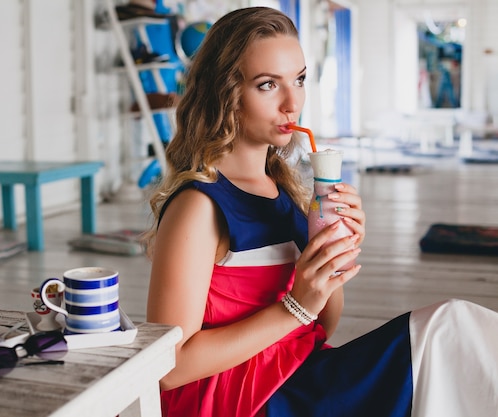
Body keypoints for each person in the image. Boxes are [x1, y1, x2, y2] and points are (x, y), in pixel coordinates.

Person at [143, 7, 498, 417]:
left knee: (456, 343)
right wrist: (296, 306)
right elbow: (169, 369)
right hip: (245, 401)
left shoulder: (286, 193)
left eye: (299, 79)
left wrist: (331, 253)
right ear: (226, 94)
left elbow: (318, 328)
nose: (292, 102)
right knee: (447, 330)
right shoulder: (198, 207)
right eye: (267, 85)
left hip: (299, 375)